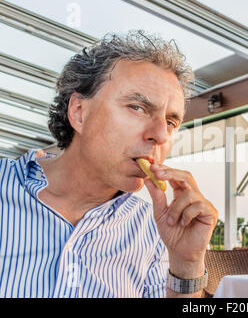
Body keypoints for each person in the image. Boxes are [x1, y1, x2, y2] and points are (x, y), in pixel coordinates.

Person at [0, 31, 218, 298]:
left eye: (171, 122)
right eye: (137, 107)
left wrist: (186, 266)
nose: (160, 135)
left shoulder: (157, 230)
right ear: (79, 113)